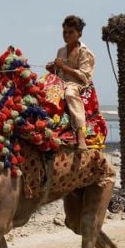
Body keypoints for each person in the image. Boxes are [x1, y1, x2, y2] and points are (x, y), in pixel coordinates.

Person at [47, 15, 95, 149]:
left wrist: (64, 67)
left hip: (77, 83)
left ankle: (80, 136)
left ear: (79, 33)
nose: (66, 35)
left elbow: (85, 76)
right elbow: (59, 72)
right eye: (64, 32)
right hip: (61, 82)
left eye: (70, 32)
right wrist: (53, 69)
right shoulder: (61, 51)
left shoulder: (85, 52)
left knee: (69, 94)